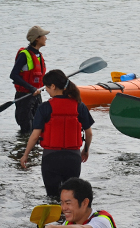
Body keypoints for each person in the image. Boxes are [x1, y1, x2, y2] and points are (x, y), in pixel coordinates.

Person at [19, 69, 94, 198]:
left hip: (51, 159)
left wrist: (25, 155)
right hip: (73, 159)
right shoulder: (79, 106)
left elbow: (35, 135)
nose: (46, 90)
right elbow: (89, 133)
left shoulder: (44, 107)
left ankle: (55, 218)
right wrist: (86, 150)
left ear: (53, 86)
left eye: (47, 87)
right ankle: (68, 218)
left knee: (52, 197)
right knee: (70, 198)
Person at [10, 25, 48, 132]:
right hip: (24, 97)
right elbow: (13, 75)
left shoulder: (39, 55)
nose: (46, 38)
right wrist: (31, 88)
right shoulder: (24, 55)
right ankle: (24, 147)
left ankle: (34, 148)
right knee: (27, 129)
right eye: (44, 36)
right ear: (37, 38)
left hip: (36, 96)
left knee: (39, 127)